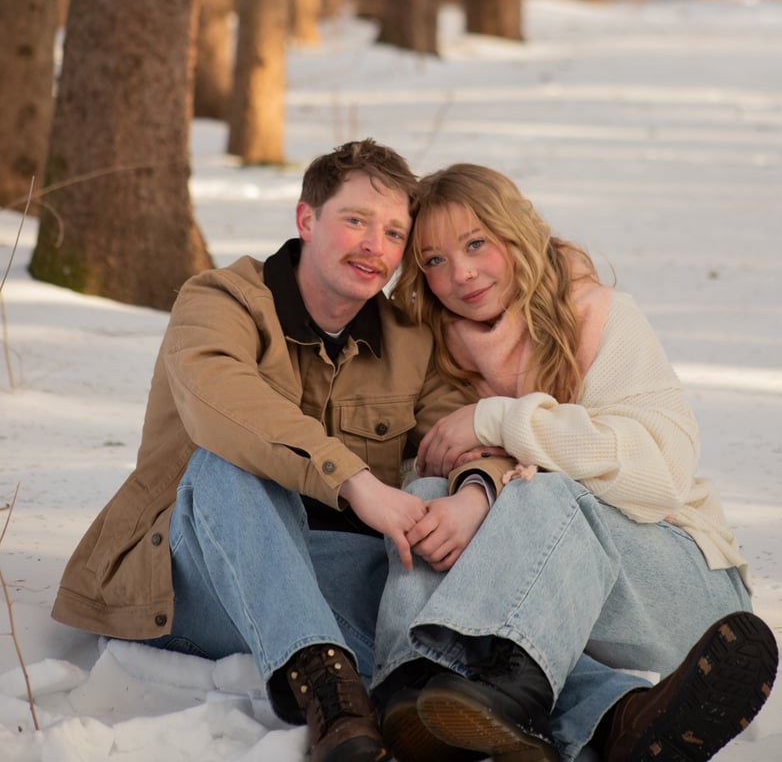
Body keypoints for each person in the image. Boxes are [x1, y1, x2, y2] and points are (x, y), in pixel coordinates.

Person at [51, 141, 509, 762]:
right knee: (227, 461)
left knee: (438, 603)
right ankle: (331, 697)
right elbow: (223, 401)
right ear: (306, 219)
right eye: (356, 220)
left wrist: (476, 491)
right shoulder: (218, 301)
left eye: (394, 233)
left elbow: (463, 435)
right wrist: (355, 483)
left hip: (321, 566)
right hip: (191, 570)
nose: (374, 246)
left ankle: (609, 710)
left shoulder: (408, 341)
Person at [371, 162, 778, 762]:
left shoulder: (600, 315)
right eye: (434, 259)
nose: (461, 273)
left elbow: (661, 473)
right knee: (430, 496)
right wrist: (476, 492)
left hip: (677, 587)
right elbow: (426, 467)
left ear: (515, 233)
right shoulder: (437, 349)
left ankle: (509, 691)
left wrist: (499, 420)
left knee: (547, 492)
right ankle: (417, 690)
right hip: (545, 603)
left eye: (477, 243)